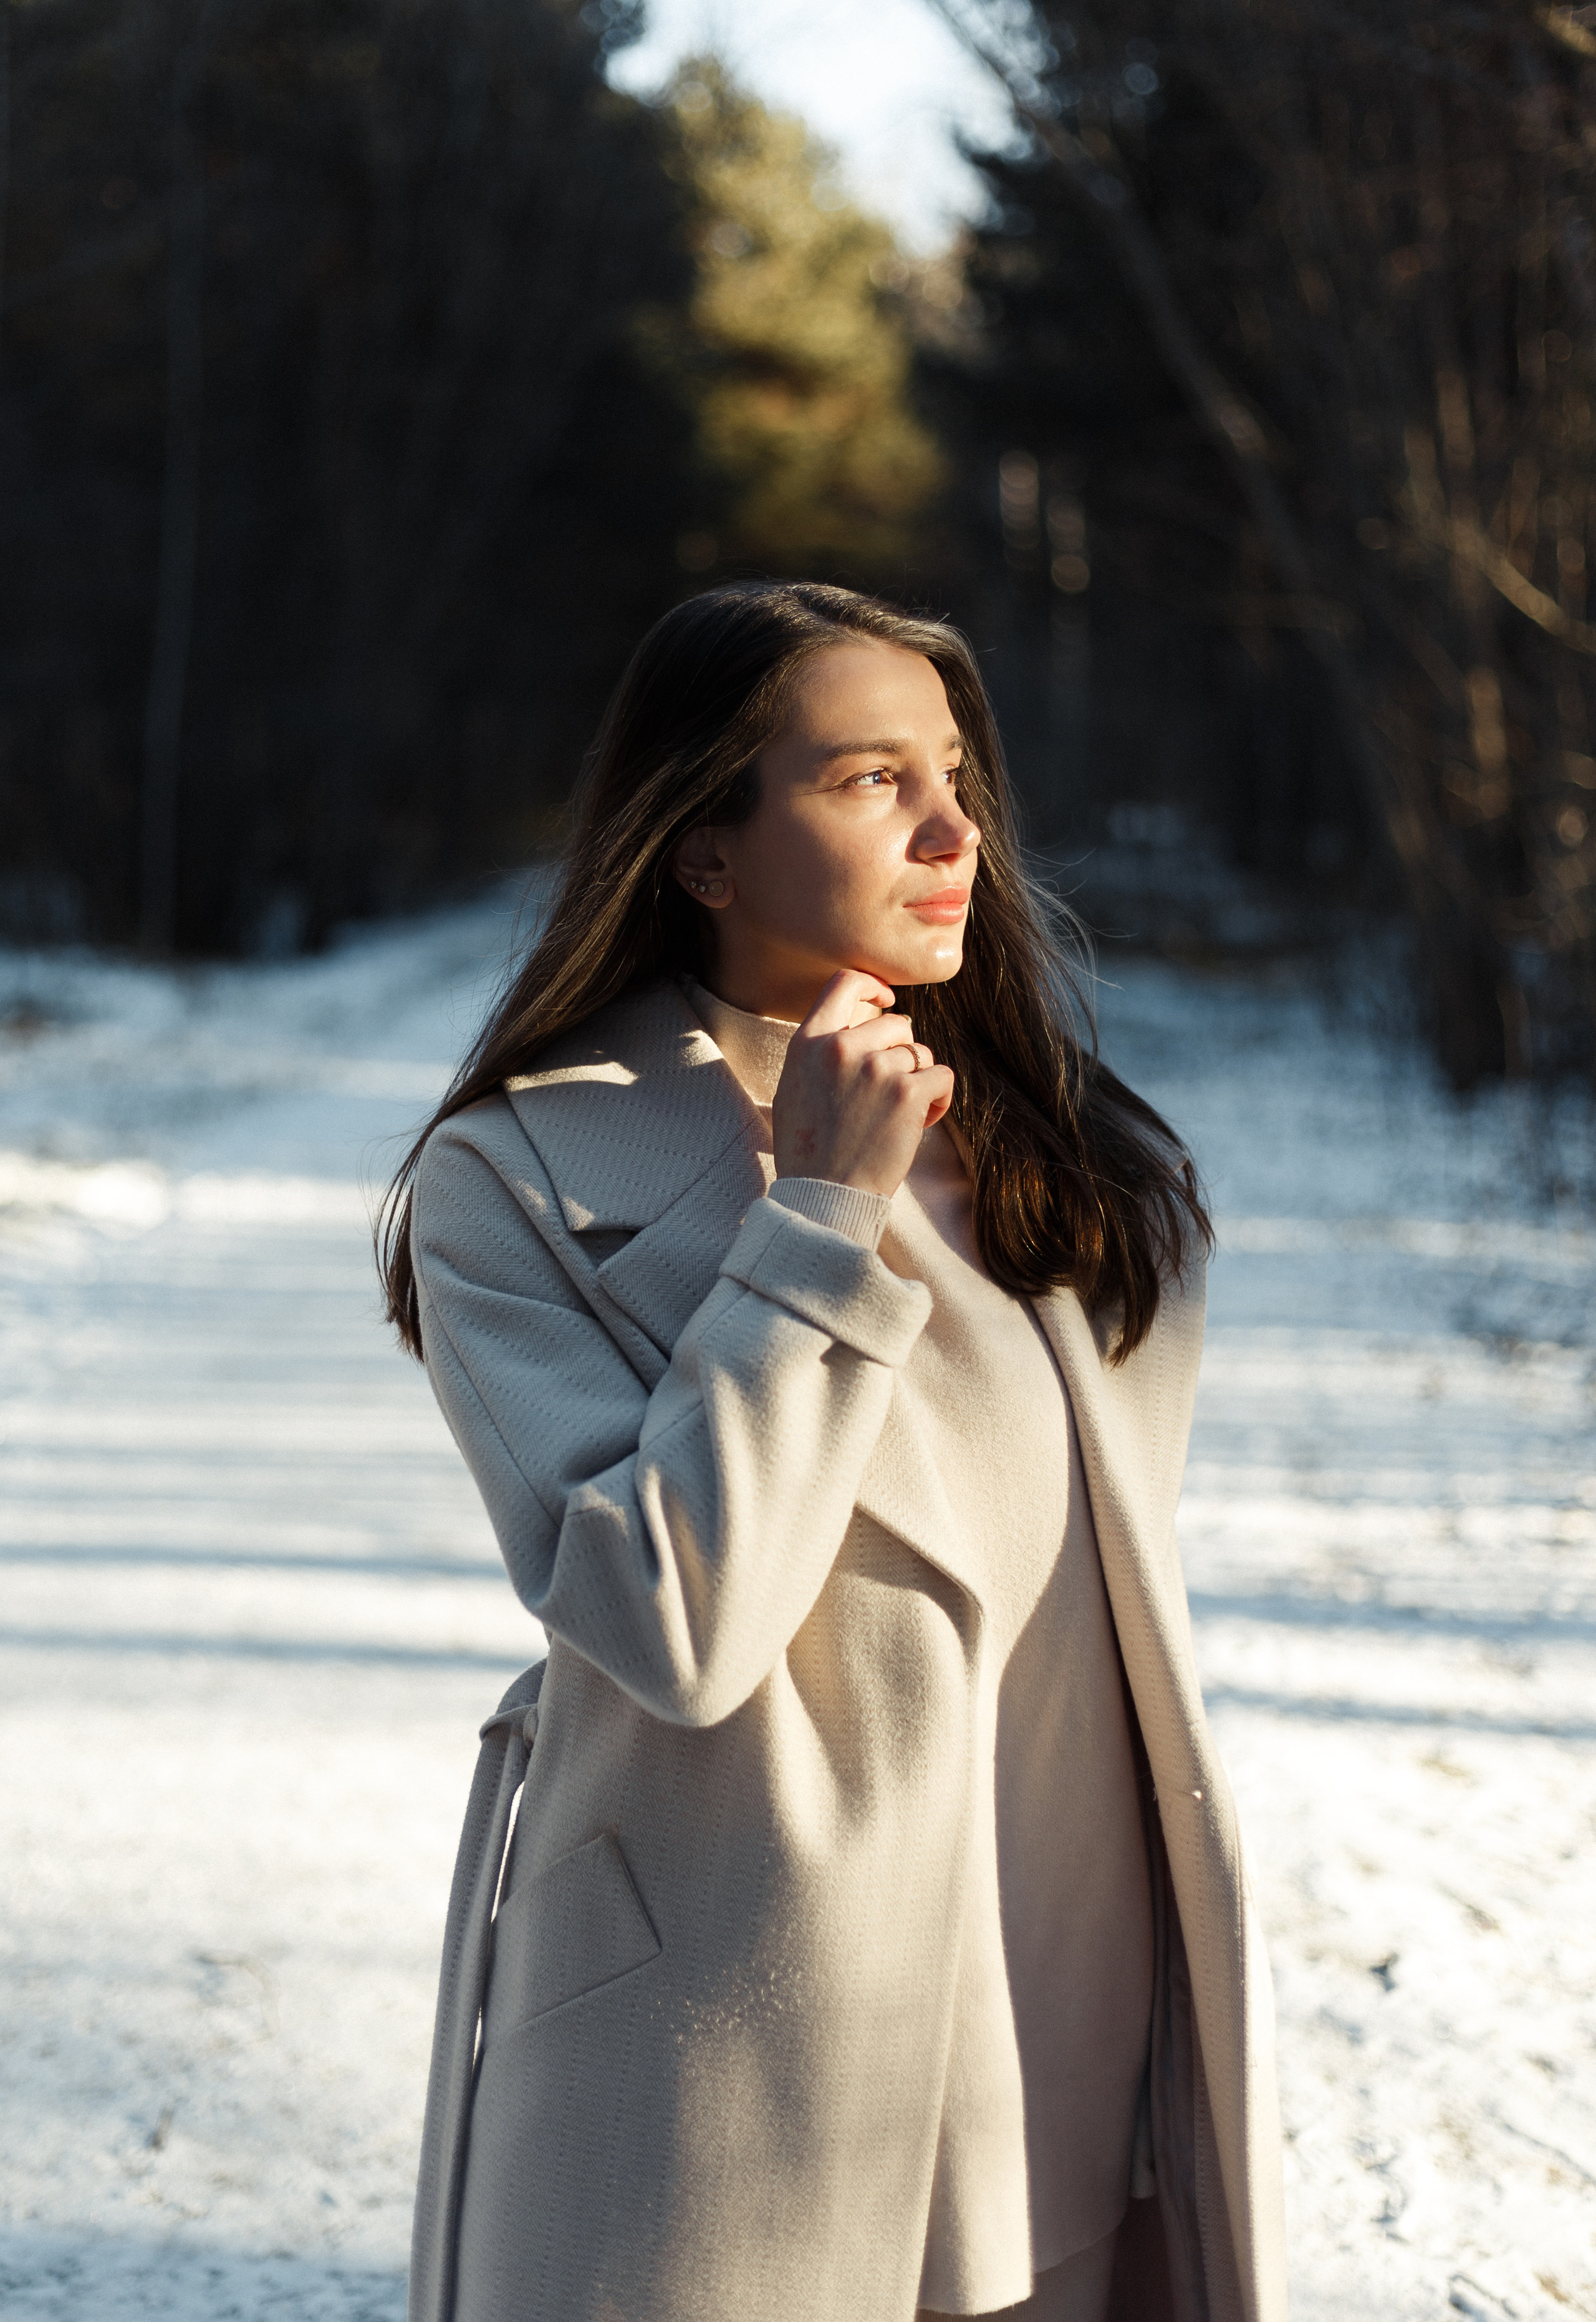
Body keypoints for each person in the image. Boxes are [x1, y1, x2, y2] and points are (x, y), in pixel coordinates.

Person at [382, 582, 1287, 2322]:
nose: (956, 830)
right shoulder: (514, 1184)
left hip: (1065, 2023)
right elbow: (669, 1625)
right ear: (703, 850)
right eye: (871, 780)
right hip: (745, 2048)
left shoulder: (1087, 1171)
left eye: (957, 774)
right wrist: (816, 1217)